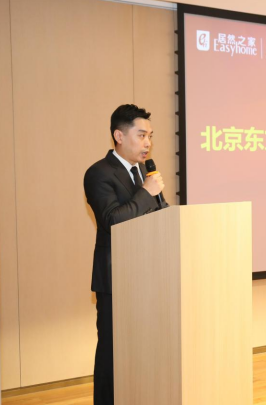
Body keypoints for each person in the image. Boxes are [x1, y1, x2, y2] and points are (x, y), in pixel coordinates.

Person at [84, 104, 167, 405]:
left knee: (144, 350)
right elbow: (112, 220)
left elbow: (159, 216)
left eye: (150, 136)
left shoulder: (144, 173)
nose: (148, 143)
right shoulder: (99, 173)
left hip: (148, 276)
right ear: (119, 136)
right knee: (112, 353)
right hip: (115, 280)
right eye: (141, 135)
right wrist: (146, 192)